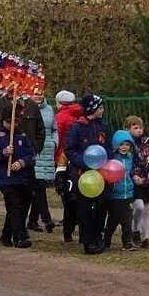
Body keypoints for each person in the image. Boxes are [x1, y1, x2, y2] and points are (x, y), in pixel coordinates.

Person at [63, 94, 111, 254]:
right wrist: (86, 163)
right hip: (84, 176)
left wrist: (106, 163)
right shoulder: (77, 127)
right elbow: (69, 150)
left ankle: (98, 236)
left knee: (102, 206)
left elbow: (108, 149)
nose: (103, 110)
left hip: (102, 175)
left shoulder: (103, 127)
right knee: (85, 209)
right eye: (100, 107)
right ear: (93, 109)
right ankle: (87, 240)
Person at [0, 112, 35, 248]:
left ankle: (6, 235)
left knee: (21, 205)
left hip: (22, 178)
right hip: (5, 178)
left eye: (16, 122)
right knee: (14, 205)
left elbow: (31, 155)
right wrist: (3, 153)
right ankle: (19, 237)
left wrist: (21, 162)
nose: (13, 125)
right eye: (9, 121)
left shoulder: (22, 136)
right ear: (3, 121)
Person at [127, 116, 149, 249]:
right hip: (134, 181)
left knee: (146, 209)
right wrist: (134, 175)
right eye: (135, 128)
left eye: (140, 127)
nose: (139, 130)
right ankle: (134, 230)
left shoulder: (147, 142)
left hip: (147, 180)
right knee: (139, 207)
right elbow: (129, 161)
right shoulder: (128, 144)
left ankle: (146, 238)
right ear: (128, 129)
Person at [52, 90, 81, 242]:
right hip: (79, 158)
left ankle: (69, 227)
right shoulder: (79, 115)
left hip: (63, 157)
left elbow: (58, 137)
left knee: (65, 192)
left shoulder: (60, 117)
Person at [28, 94, 58, 233]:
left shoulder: (49, 109)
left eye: (40, 92)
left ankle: (33, 221)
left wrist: (54, 142)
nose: (38, 96)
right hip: (33, 149)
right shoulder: (26, 107)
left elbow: (54, 129)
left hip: (46, 149)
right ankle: (46, 219)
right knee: (39, 185)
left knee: (39, 186)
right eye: (35, 93)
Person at [102, 130, 136, 251]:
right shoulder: (112, 159)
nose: (124, 147)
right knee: (113, 219)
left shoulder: (130, 159)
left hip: (128, 194)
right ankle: (106, 239)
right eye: (121, 144)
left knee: (127, 219)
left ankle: (127, 242)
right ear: (116, 145)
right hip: (115, 196)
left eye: (127, 144)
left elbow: (132, 173)